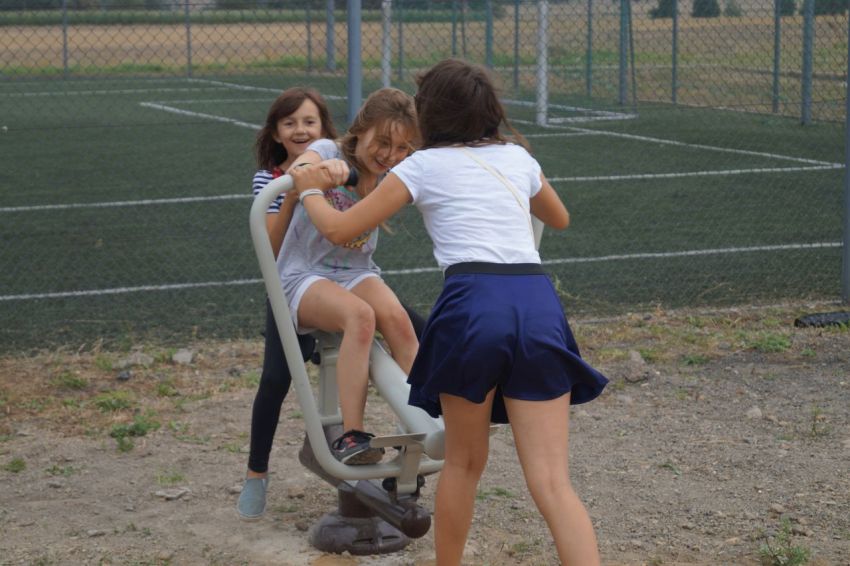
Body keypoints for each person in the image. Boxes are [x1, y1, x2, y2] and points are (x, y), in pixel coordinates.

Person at [289, 60, 609, 565]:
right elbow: (558, 217)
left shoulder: (421, 166)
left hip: (474, 304)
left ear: (432, 114)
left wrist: (309, 187)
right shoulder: (517, 157)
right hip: (537, 301)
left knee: (463, 464)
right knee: (552, 482)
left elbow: (338, 228)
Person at [238, 87, 424, 521]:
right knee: (355, 320)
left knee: (400, 321)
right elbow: (302, 168)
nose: (390, 154)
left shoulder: (396, 170)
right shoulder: (328, 150)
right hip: (302, 273)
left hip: (355, 270)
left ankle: (420, 427)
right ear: (360, 131)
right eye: (382, 142)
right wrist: (322, 170)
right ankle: (350, 435)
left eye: (401, 147)